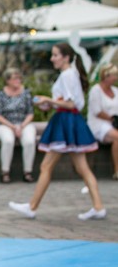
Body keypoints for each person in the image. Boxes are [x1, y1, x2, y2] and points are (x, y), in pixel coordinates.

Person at [9, 43, 105, 221]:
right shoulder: (70, 74)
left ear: (66, 57)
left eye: (55, 55)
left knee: (47, 166)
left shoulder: (68, 75)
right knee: (82, 168)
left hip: (66, 121)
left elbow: (71, 104)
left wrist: (47, 100)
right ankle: (98, 206)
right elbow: (68, 102)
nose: (52, 59)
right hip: (69, 121)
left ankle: (32, 207)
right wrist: (49, 103)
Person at [0, 68, 36, 183]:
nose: (17, 81)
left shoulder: (26, 93)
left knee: (29, 141)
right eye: (14, 79)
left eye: (19, 78)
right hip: (5, 124)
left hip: (23, 123)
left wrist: (21, 126)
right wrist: (12, 126)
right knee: (8, 140)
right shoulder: (1, 94)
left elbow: (30, 113)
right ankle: (5, 172)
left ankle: (28, 172)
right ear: (7, 81)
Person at [87, 63, 118, 180]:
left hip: (113, 124)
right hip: (98, 124)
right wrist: (113, 119)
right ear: (105, 76)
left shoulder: (116, 91)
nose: (115, 78)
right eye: (113, 75)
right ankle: (117, 170)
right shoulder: (95, 90)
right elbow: (97, 111)